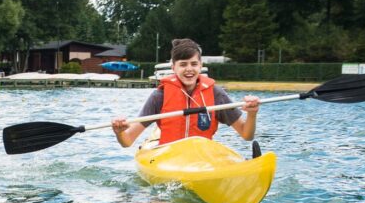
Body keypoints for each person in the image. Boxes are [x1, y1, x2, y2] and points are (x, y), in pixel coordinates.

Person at [111, 38, 260, 147]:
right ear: (173, 67)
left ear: (201, 66)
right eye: (183, 65)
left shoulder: (216, 94)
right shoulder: (159, 97)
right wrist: (120, 132)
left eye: (194, 64)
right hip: (169, 156)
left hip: (202, 157)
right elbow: (128, 141)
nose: (189, 69)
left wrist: (252, 114)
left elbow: (247, 135)